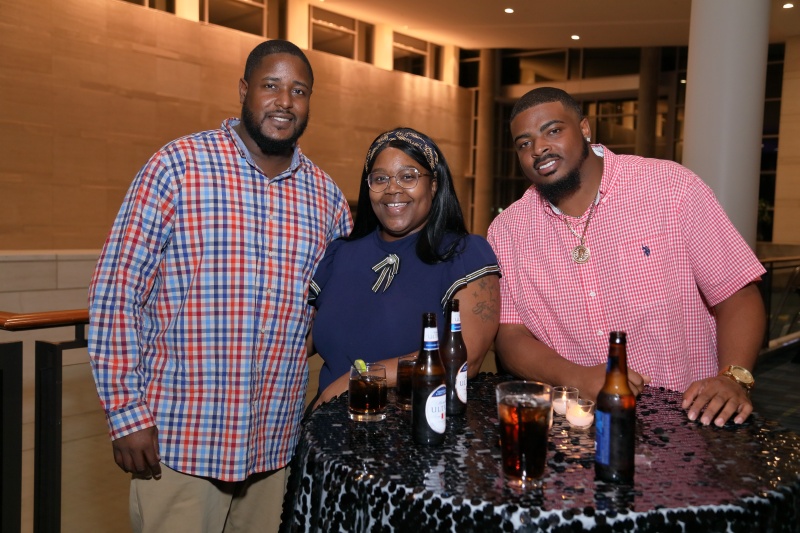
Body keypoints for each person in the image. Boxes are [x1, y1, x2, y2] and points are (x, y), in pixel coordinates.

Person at [87, 40, 352, 533]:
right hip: (179, 443)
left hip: (275, 446)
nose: (284, 101)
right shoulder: (177, 166)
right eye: (271, 85)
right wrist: (126, 413)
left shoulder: (327, 199)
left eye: (299, 91)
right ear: (244, 90)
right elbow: (116, 293)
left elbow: (333, 310)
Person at [487, 87, 766, 428]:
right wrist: (577, 378)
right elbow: (510, 336)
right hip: (578, 428)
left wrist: (733, 378)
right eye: (524, 143)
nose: (539, 149)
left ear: (585, 129)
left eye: (553, 130)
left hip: (691, 421)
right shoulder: (508, 230)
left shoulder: (670, 187)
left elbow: (737, 294)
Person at [308, 127, 501, 406]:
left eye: (408, 176)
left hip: (411, 427)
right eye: (380, 178)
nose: (392, 189)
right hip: (326, 426)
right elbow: (303, 340)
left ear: (433, 184)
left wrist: (360, 379)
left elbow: (466, 357)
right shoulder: (340, 253)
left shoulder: (464, 254)